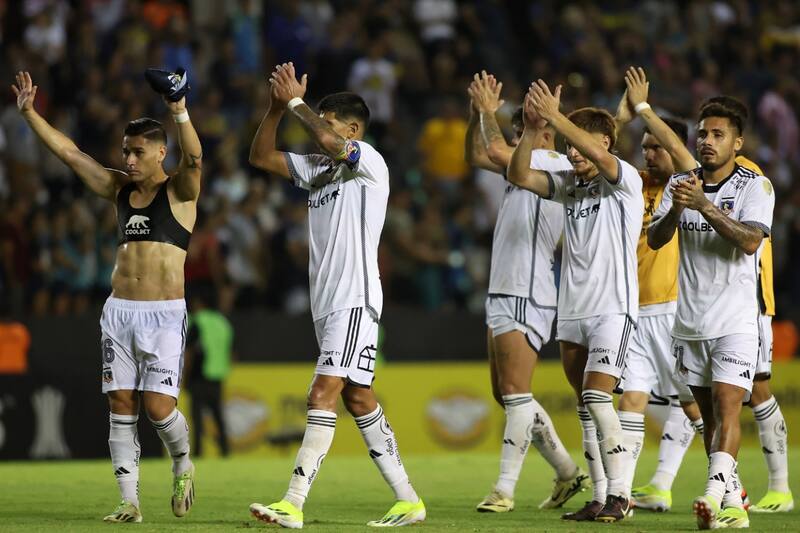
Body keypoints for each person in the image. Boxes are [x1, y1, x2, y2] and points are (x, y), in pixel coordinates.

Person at [12, 69, 201, 523]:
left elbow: (195, 160)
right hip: (119, 312)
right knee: (120, 402)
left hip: (162, 314)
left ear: (160, 152)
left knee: (158, 410)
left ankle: (182, 461)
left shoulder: (179, 191)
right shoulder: (117, 189)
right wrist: (30, 115)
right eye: (125, 151)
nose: (129, 159)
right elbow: (70, 153)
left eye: (138, 152)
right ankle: (129, 501)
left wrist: (178, 109)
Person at [247, 62, 425, 529]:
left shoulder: (367, 160)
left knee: (321, 391)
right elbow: (261, 156)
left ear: (351, 129)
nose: (318, 128)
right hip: (326, 302)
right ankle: (408, 499)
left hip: (353, 295)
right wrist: (274, 110)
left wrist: (295, 103)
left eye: (327, 120)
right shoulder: (317, 171)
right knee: (359, 398)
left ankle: (293, 501)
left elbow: (329, 142)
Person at [628, 71, 792, 518]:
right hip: (689, 321)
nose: (707, 141)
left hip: (737, 321)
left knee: (728, 407)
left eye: (718, 134)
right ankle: (734, 502)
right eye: (703, 133)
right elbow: (658, 238)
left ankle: (715, 496)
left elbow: (749, 241)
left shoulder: (754, 186)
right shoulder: (683, 183)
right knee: (709, 420)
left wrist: (703, 206)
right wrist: (678, 208)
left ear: (737, 142)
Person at [507, 80, 644, 522]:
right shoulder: (569, 184)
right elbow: (518, 175)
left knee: (598, 398)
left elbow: (603, 159)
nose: (573, 153)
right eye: (567, 145)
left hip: (612, 308)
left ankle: (622, 494)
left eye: (579, 144)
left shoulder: (625, 180)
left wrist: (557, 115)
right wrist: (532, 129)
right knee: (587, 407)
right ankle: (601, 495)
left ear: (604, 142)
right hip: (572, 312)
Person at [464, 71, 588, 513]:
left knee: (516, 392)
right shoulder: (523, 162)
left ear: (547, 132)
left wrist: (488, 113)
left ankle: (504, 489)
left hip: (527, 288)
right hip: (504, 287)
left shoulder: (555, 165)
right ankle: (568, 472)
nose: (519, 138)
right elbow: (478, 152)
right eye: (518, 131)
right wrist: (476, 111)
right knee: (506, 394)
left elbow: (495, 149)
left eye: (526, 131)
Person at [611, 70, 706, 512]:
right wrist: (621, 115)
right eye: (645, 146)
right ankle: (624, 494)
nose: (649, 153)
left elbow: (688, 161)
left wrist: (646, 112)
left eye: (657, 146)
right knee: (631, 399)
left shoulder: (685, 188)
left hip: (672, 310)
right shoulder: (633, 185)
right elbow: (599, 152)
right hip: (633, 309)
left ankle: (729, 483)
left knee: (693, 406)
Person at [185, 288, 233, 457]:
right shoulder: (223, 323)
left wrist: (185, 376)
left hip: (199, 375)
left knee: (197, 418)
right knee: (218, 417)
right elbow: (232, 352)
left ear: (199, 303)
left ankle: (198, 453)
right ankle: (225, 451)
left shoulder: (197, 321)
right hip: (218, 375)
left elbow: (189, 351)